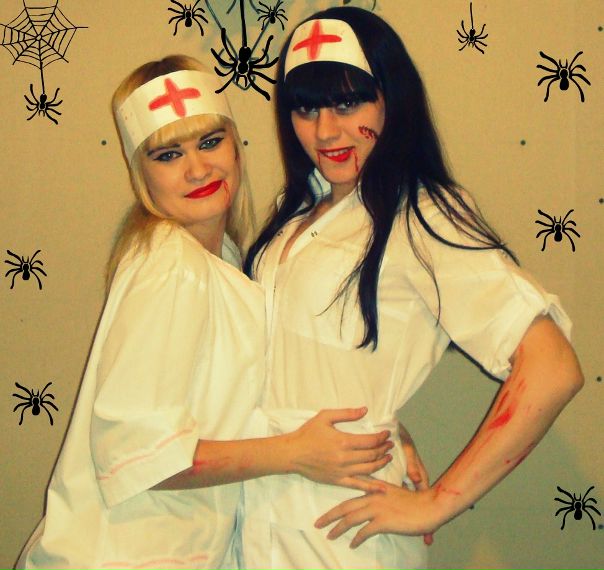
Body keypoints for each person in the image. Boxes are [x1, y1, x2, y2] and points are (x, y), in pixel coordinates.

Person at [15, 54, 411, 570]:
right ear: (141, 173)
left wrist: (382, 435)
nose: (197, 169)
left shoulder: (221, 260)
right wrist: (294, 452)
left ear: (235, 144)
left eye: (209, 142)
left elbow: (256, 392)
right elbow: (139, 452)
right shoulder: (170, 264)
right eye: (167, 155)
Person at [242, 7, 584, 570]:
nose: (325, 130)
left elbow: (551, 368)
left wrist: (436, 503)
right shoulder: (297, 210)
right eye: (305, 108)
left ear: (390, 100)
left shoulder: (423, 213)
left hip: (345, 534)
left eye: (348, 103)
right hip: (257, 520)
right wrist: (389, 425)